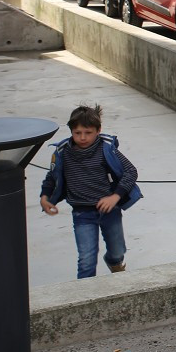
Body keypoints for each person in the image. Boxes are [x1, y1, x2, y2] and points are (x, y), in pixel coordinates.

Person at [39, 104, 141, 279]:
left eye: (88, 133)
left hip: (109, 210)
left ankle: (114, 262)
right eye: (77, 133)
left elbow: (131, 171)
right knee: (86, 260)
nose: (83, 138)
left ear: (98, 130)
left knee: (117, 251)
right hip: (82, 213)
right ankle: (84, 296)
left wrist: (114, 197)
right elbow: (52, 176)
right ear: (71, 131)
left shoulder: (106, 149)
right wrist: (45, 197)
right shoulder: (63, 153)